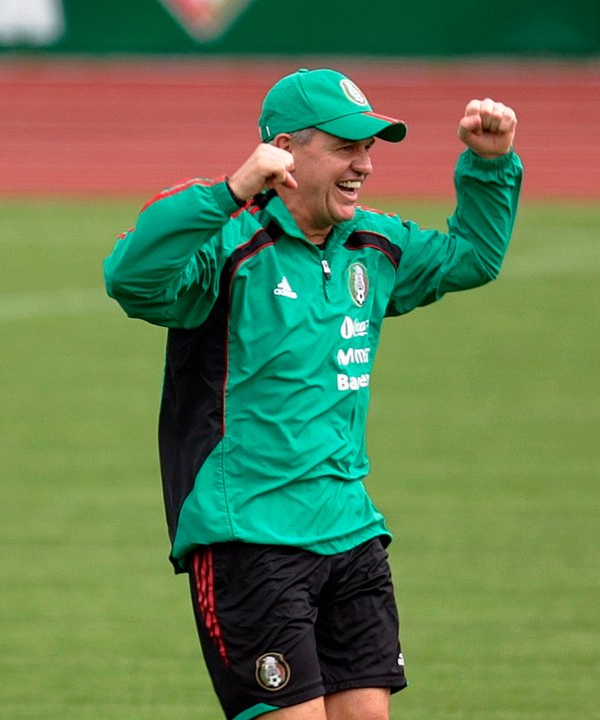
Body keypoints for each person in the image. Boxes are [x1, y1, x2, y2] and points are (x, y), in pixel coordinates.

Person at [102, 68, 521, 720]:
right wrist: (230, 191)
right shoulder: (231, 249)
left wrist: (488, 165)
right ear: (287, 153)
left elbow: (471, 256)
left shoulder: (374, 246)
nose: (364, 166)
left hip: (350, 531)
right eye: (345, 148)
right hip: (251, 538)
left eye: (369, 149)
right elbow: (130, 279)